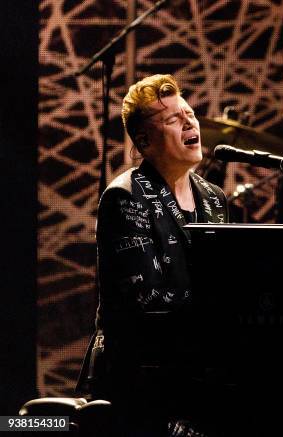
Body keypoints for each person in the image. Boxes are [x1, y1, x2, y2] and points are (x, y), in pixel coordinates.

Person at [77, 74, 228, 436]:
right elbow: (147, 302)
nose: (190, 122)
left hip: (195, 370)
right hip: (138, 379)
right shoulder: (125, 197)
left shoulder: (214, 198)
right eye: (174, 119)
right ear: (144, 141)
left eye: (190, 113)